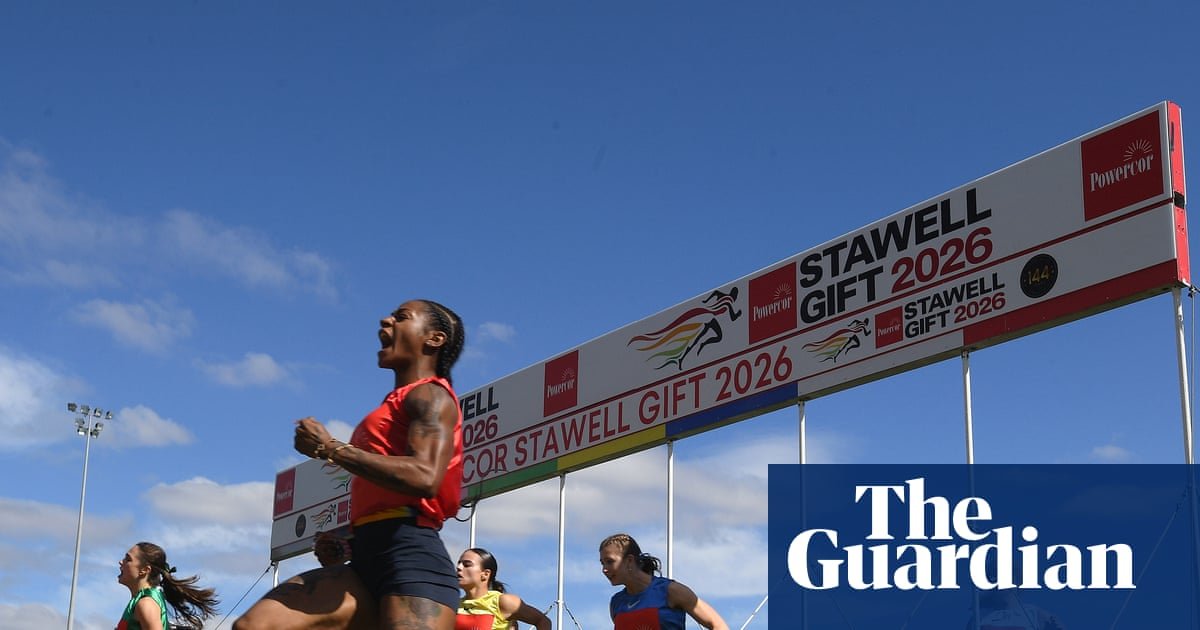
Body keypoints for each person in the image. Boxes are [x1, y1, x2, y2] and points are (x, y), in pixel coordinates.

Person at [234, 299, 467, 630]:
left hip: (413, 559)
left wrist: (331, 449)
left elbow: (425, 477)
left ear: (434, 339)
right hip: (364, 557)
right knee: (254, 626)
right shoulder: (392, 404)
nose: (385, 320)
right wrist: (346, 539)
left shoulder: (431, 396)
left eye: (401, 317)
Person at [598, 533, 728, 630]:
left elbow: (718, 625)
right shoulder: (616, 602)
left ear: (630, 560)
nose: (604, 569)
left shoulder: (671, 591)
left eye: (610, 562)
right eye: (602, 563)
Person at [116, 541, 219, 630]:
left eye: (128, 559)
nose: (121, 562)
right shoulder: (140, 601)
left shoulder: (146, 604)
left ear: (144, 570)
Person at [456, 547, 552, 630]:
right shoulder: (453, 605)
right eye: (459, 563)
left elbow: (542, 621)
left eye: (467, 565)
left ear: (485, 574)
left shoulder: (503, 602)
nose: (459, 567)